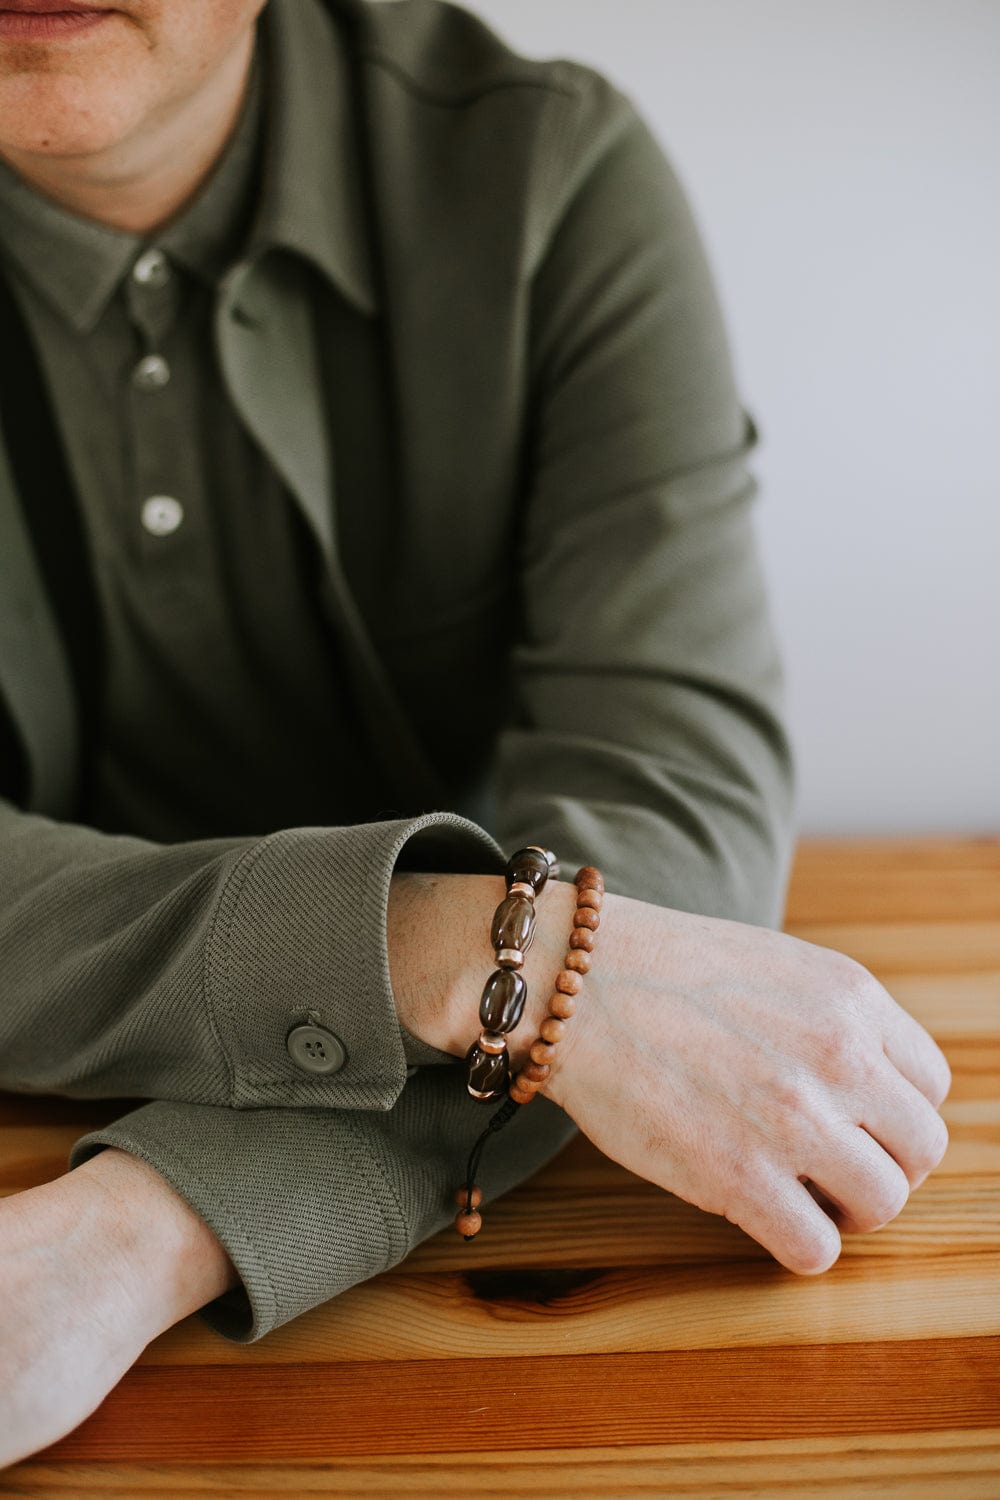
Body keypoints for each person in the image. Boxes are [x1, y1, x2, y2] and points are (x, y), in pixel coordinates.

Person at [0, 0, 951, 1465]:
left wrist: (151, 1228)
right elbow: (608, 974)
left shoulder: (548, 177)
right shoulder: (533, 961)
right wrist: (463, 951)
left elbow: (670, 825)